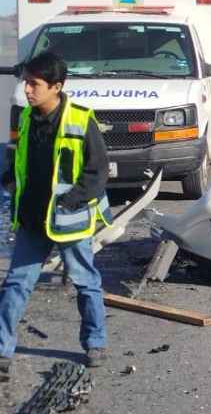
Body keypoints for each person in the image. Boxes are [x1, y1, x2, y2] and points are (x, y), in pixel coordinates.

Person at [0, 51, 112, 377]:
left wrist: (72, 200)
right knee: (16, 284)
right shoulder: (25, 117)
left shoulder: (80, 119)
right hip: (33, 219)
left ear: (57, 87)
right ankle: (2, 350)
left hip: (69, 220)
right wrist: (8, 184)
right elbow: (18, 161)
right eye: (26, 83)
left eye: (34, 84)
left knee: (85, 282)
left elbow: (98, 171)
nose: (27, 90)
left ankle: (95, 343)